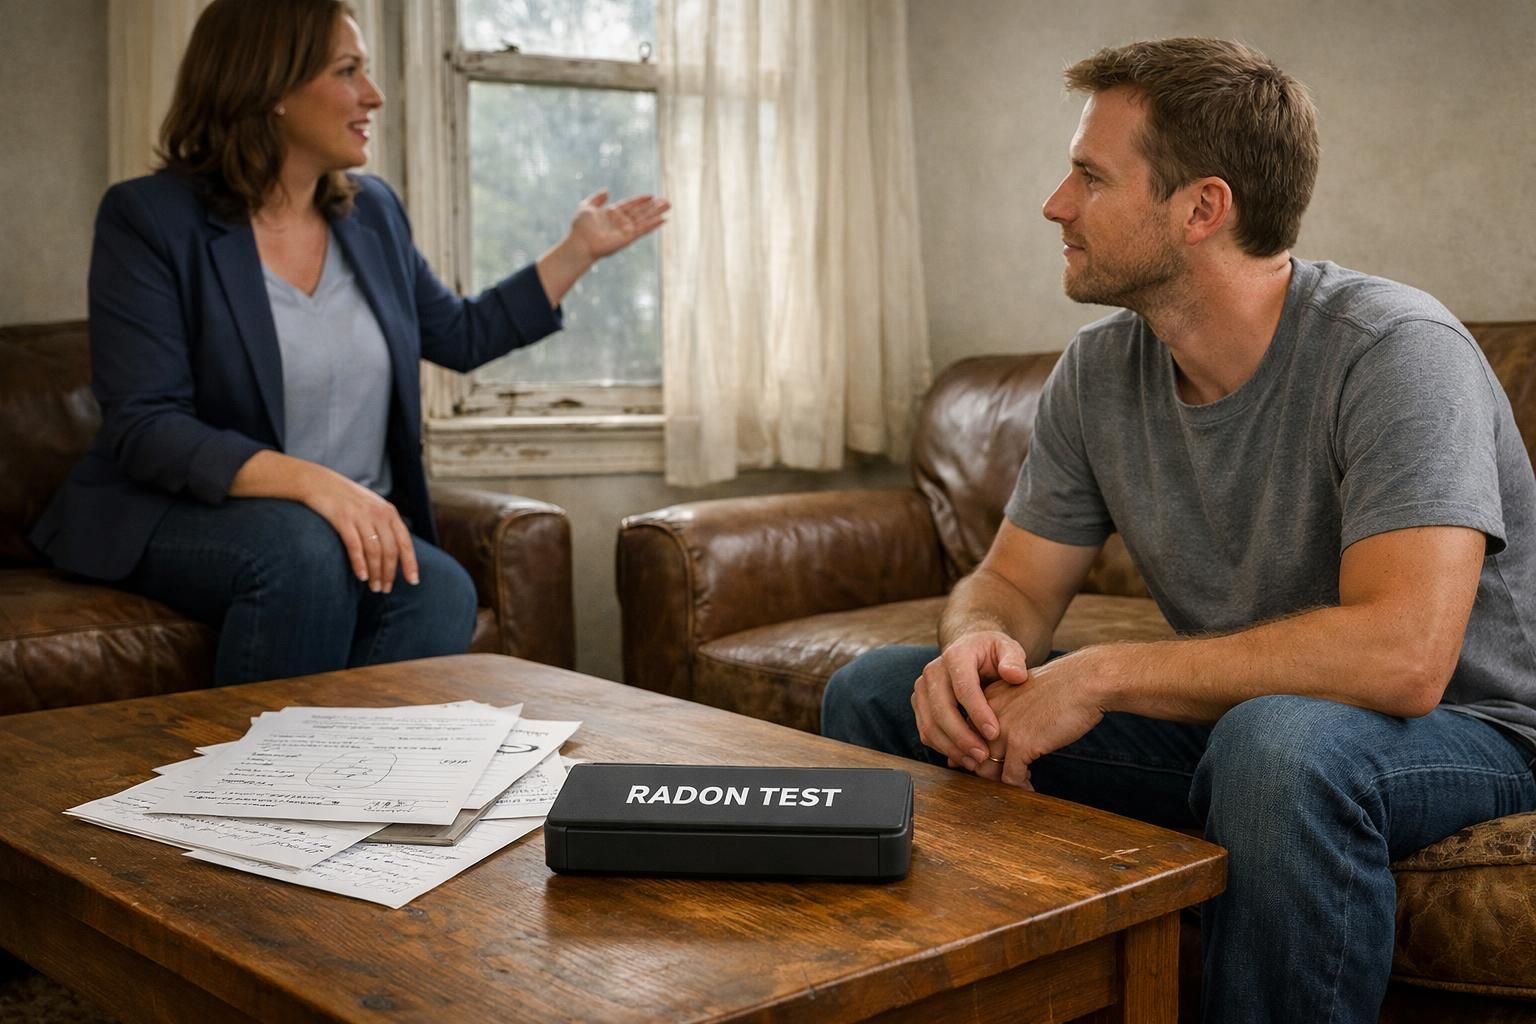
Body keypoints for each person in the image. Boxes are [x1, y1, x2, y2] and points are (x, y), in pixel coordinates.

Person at [820, 37, 1536, 1024]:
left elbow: (1405, 655)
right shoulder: (1098, 373)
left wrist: (1099, 675)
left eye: (1089, 176)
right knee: (879, 696)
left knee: (1275, 745)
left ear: (1202, 208)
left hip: (1469, 732)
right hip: (1244, 726)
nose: (1055, 204)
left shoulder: (1396, 352)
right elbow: (1016, 586)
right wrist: (976, 644)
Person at [28, 0, 668, 685]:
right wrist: (318, 487)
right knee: (304, 551)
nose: (375, 94)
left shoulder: (374, 213)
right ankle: (254, 788)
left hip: (331, 529)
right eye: (348, 70)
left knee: (442, 588)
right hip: (187, 513)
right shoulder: (149, 218)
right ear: (271, 86)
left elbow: (457, 333)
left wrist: (575, 253)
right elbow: (147, 426)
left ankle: (347, 783)